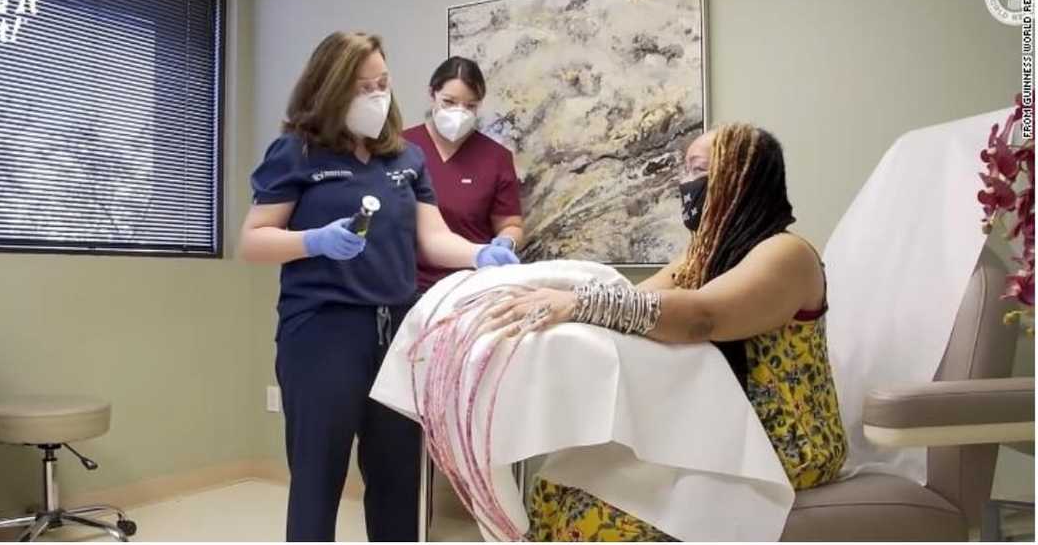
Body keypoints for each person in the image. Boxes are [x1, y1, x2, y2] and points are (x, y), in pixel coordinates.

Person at [489, 123, 848, 541]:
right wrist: (549, 300)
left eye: (699, 168)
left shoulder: (785, 253)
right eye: (685, 169)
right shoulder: (703, 254)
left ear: (741, 176)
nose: (686, 183)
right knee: (558, 487)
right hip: (720, 426)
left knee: (598, 518)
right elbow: (634, 298)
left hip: (784, 443)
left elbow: (702, 317)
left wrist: (580, 303)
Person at [239, 31, 519, 542]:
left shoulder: (406, 158)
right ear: (329, 90)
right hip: (323, 331)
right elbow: (253, 241)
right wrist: (314, 241)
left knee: (397, 477)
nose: (376, 96)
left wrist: (480, 254)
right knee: (318, 477)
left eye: (382, 84)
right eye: (361, 87)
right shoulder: (297, 152)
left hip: (399, 331)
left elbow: (433, 240)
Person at [403, 56, 524, 294]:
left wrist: (506, 242)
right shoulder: (401, 149)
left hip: (470, 286)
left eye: (470, 106)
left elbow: (510, 224)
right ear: (432, 94)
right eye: (449, 102)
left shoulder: (495, 157)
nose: (459, 112)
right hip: (409, 287)